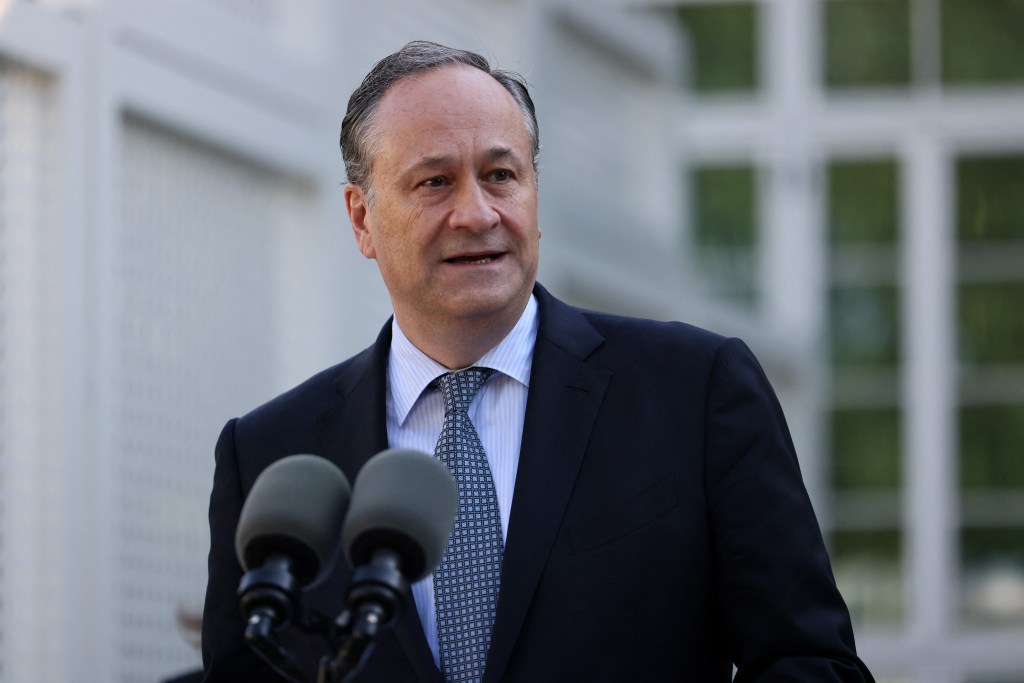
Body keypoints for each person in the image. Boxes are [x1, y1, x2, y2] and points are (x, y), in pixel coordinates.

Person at [202, 40, 874, 682]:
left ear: (534, 194)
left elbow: (809, 661)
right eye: (435, 182)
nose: (476, 211)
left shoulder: (693, 392)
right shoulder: (267, 454)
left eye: (500, 175)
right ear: (360, 219)